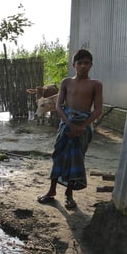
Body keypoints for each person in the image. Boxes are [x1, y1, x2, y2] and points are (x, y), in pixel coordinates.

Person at [37, 48, 103, 210]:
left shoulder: (95, 85)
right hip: (67, 125)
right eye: (79, 63)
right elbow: (59, 106)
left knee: (76, 160)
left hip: (83, 127)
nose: (82, 66)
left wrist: (82, 126)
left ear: (91, 65)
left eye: (86, 63)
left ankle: (69, 195)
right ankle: (51, 191)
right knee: (58, 155)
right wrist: (70, 124)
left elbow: (97, 110)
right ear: (74, 65)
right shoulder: (67, 82)